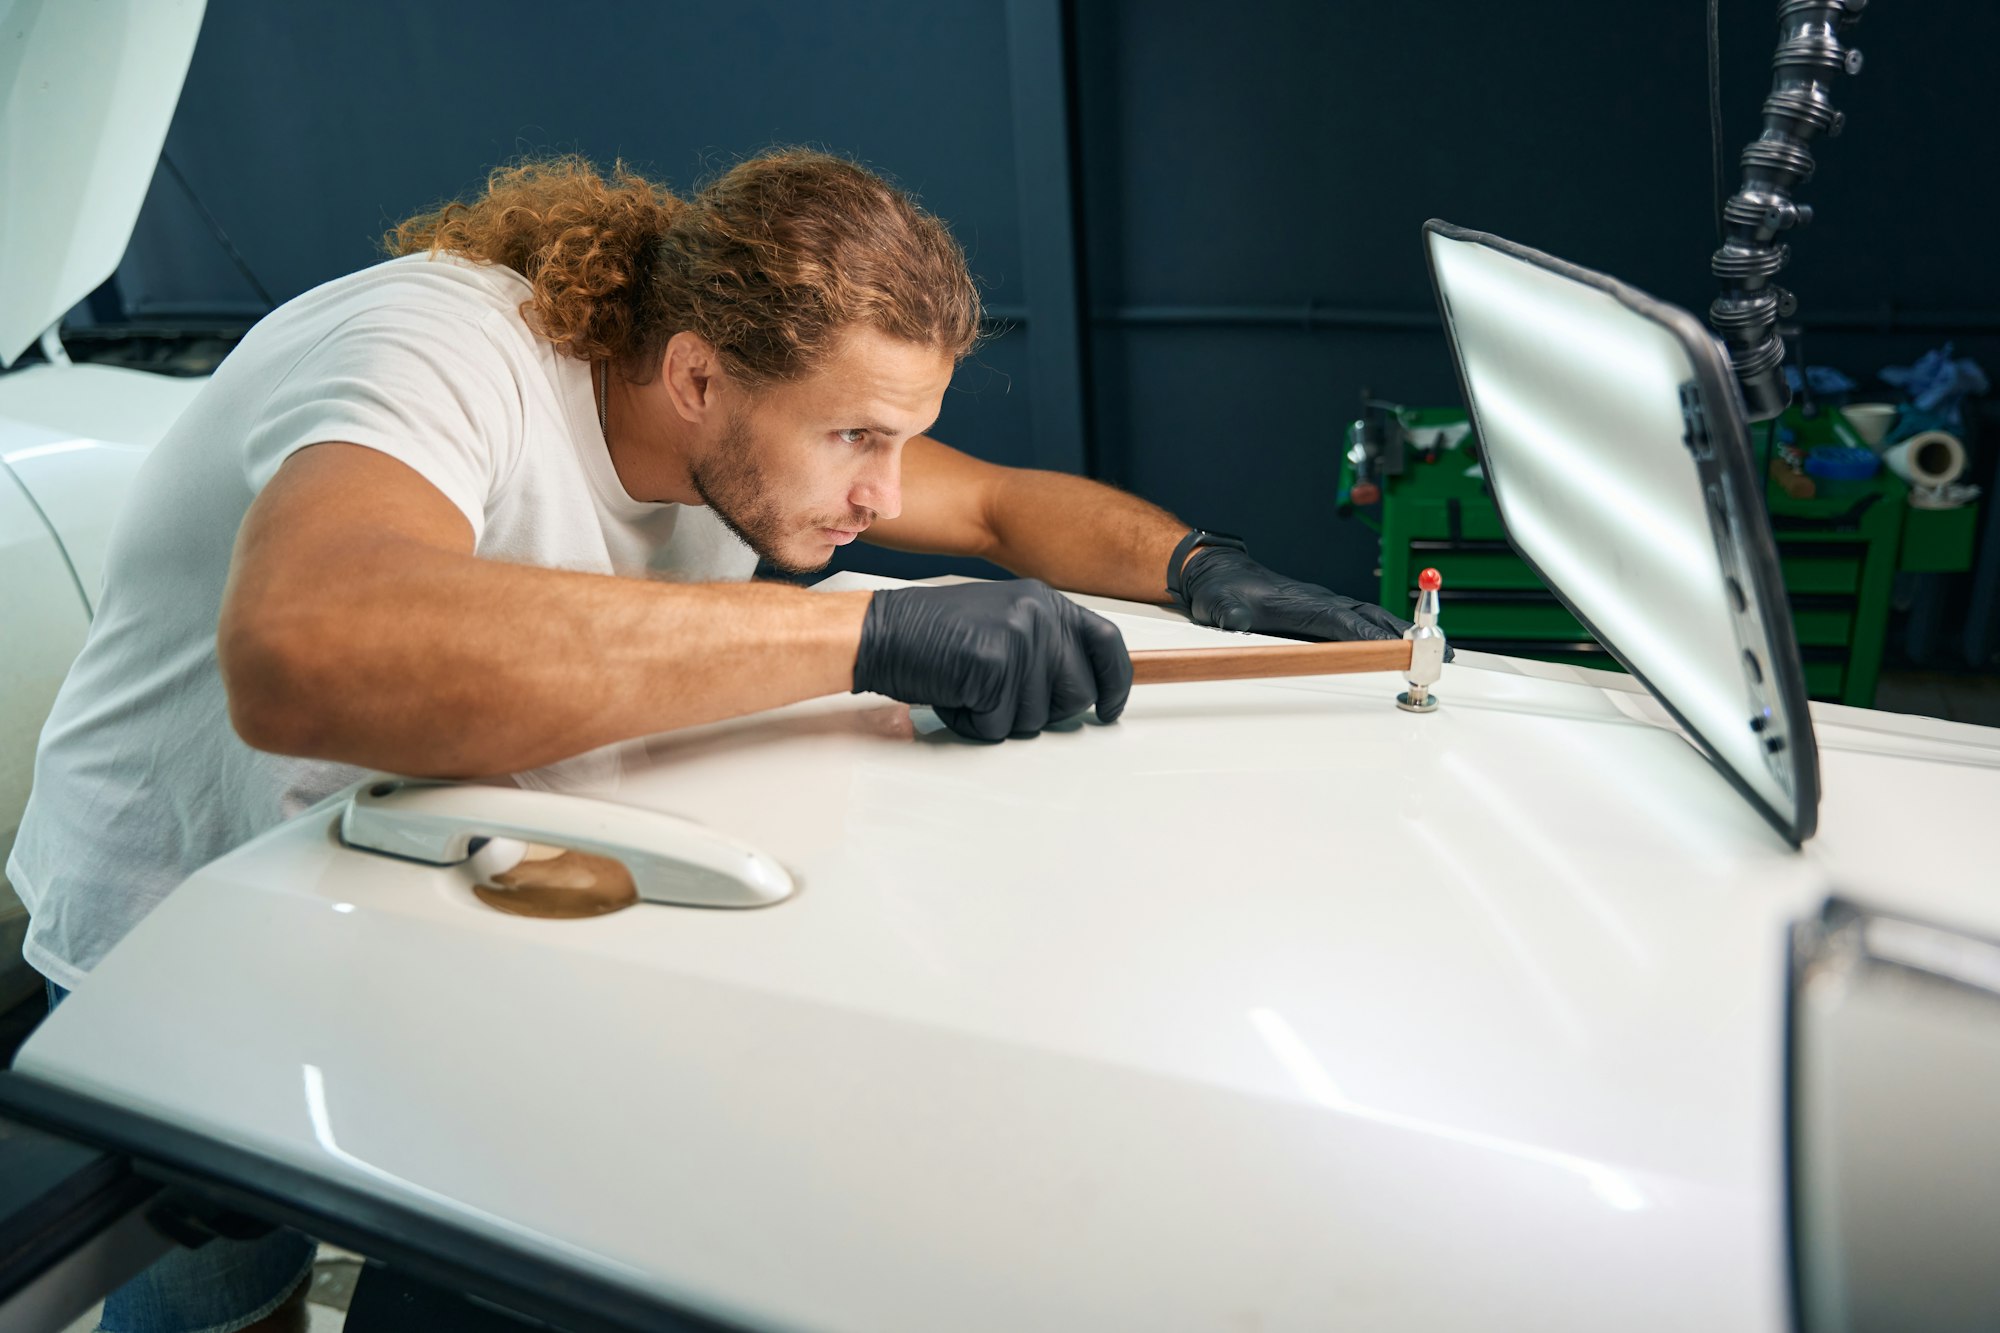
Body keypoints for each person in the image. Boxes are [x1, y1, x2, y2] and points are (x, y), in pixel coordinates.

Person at [8, 149, 1410, 1332]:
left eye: (905, 433)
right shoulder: (434, 354)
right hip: (192, 907)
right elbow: (306, 649)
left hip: (411, 874)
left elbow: (994, 514)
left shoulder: (746, 428)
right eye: (856, 433)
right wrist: (868, 638)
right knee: (212, 1284)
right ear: (697, 376)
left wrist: (1199, 568)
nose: (885, 489)